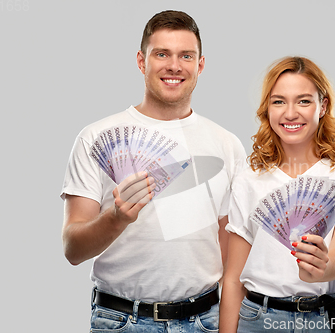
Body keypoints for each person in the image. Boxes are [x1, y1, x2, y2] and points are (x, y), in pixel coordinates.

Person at [60, 10, 246, 332]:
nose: (174, 66)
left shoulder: (226, 145)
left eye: (186, 56)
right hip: (121, 321)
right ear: (141, 61)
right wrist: (116, 218)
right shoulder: (96, 137)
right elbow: (72, 249)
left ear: (200, 65)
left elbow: (231, 259)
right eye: (162, 54)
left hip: (204, 320)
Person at [220, 56, 335, 333]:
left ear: (323, 106)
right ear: (267, 108)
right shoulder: (248, 174)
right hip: (258, 320)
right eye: (278, 101)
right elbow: (234, 277)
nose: (290, 113)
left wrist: (321, 267)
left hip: (329, 320)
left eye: (304, 101)